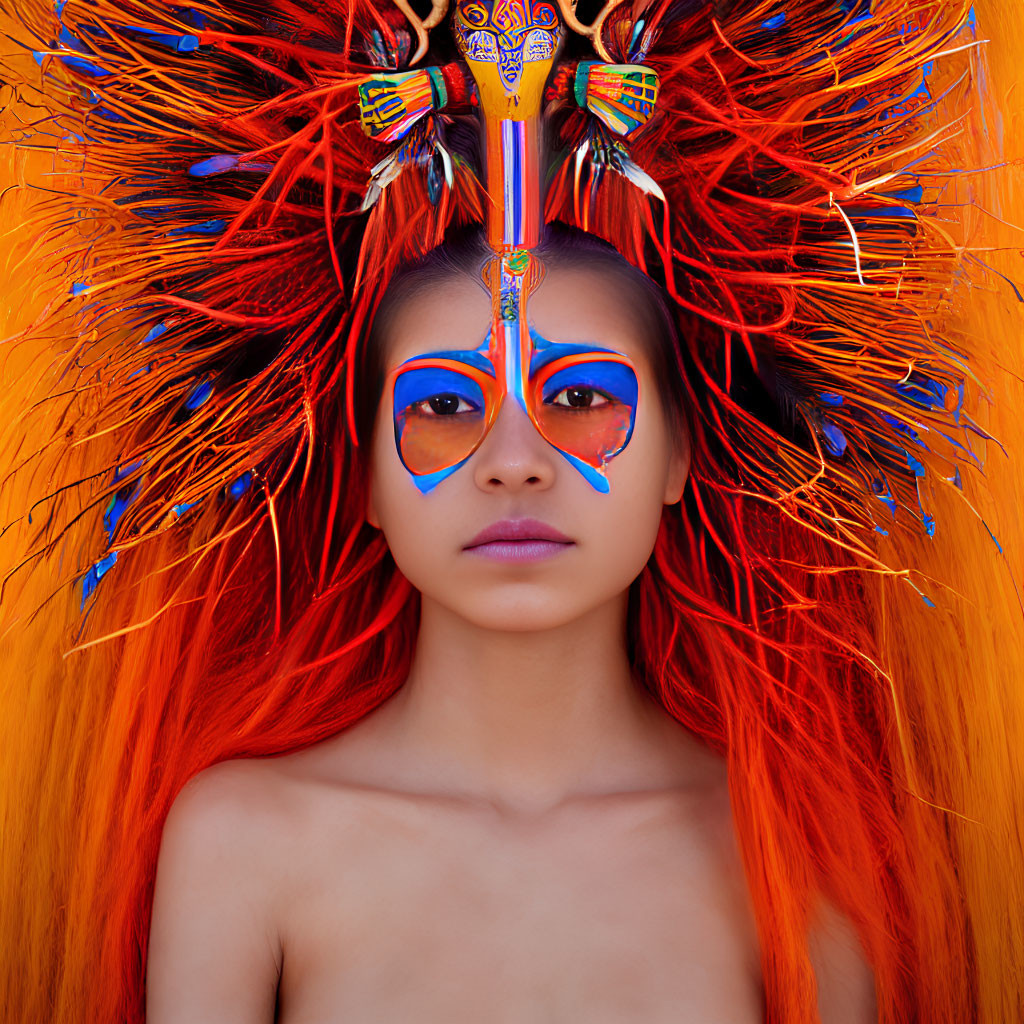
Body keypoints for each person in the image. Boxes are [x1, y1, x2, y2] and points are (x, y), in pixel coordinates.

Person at [1, 1, 1021, 1023]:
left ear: (680, 453)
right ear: (364, 479)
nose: (515, 463)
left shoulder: (800, 851)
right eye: (443, 407)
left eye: (581, 398)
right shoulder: (244, 841)